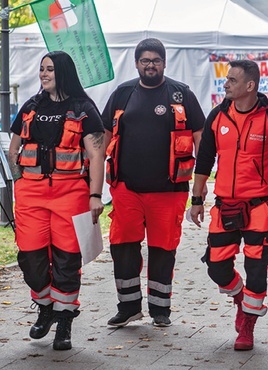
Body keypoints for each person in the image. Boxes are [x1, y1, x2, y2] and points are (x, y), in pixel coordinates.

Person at [190, 59, 268, 351]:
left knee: (257, 268)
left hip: (258, 207)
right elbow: (204, 159)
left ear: (250, 86)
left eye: (232, 80)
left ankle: (248, 325)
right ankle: (241, 299)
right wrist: (196, 198)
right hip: (225, 206)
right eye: (226, 79)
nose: (226, 84)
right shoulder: (217, 116)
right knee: (216, 267)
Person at [102, 38, 205, 328]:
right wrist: (92, 182)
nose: (150, 65)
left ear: (164, 62)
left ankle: (161, 309)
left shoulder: (181, 94)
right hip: (126, 189)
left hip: (169, 190)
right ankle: (128, 307)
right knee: (122, 246)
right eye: (145, 60)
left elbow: (200, 136)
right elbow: (104, 138)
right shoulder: (122, 94)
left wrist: (202, 182)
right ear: (136, 63)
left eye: (155, 60)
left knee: (163, 249)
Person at [8, 51, 105, 350]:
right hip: (31, 194)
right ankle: (45, 306)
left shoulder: (84, 109)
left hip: (70, 194)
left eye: (49, 69)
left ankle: (64, 320)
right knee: (31, 258)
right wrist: (21, 180)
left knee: (66, 259)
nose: (43, 74)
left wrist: (95, 195)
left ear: (63, 72)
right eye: (41, 69)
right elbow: (13, 150)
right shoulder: (31, 106)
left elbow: (97, 155)